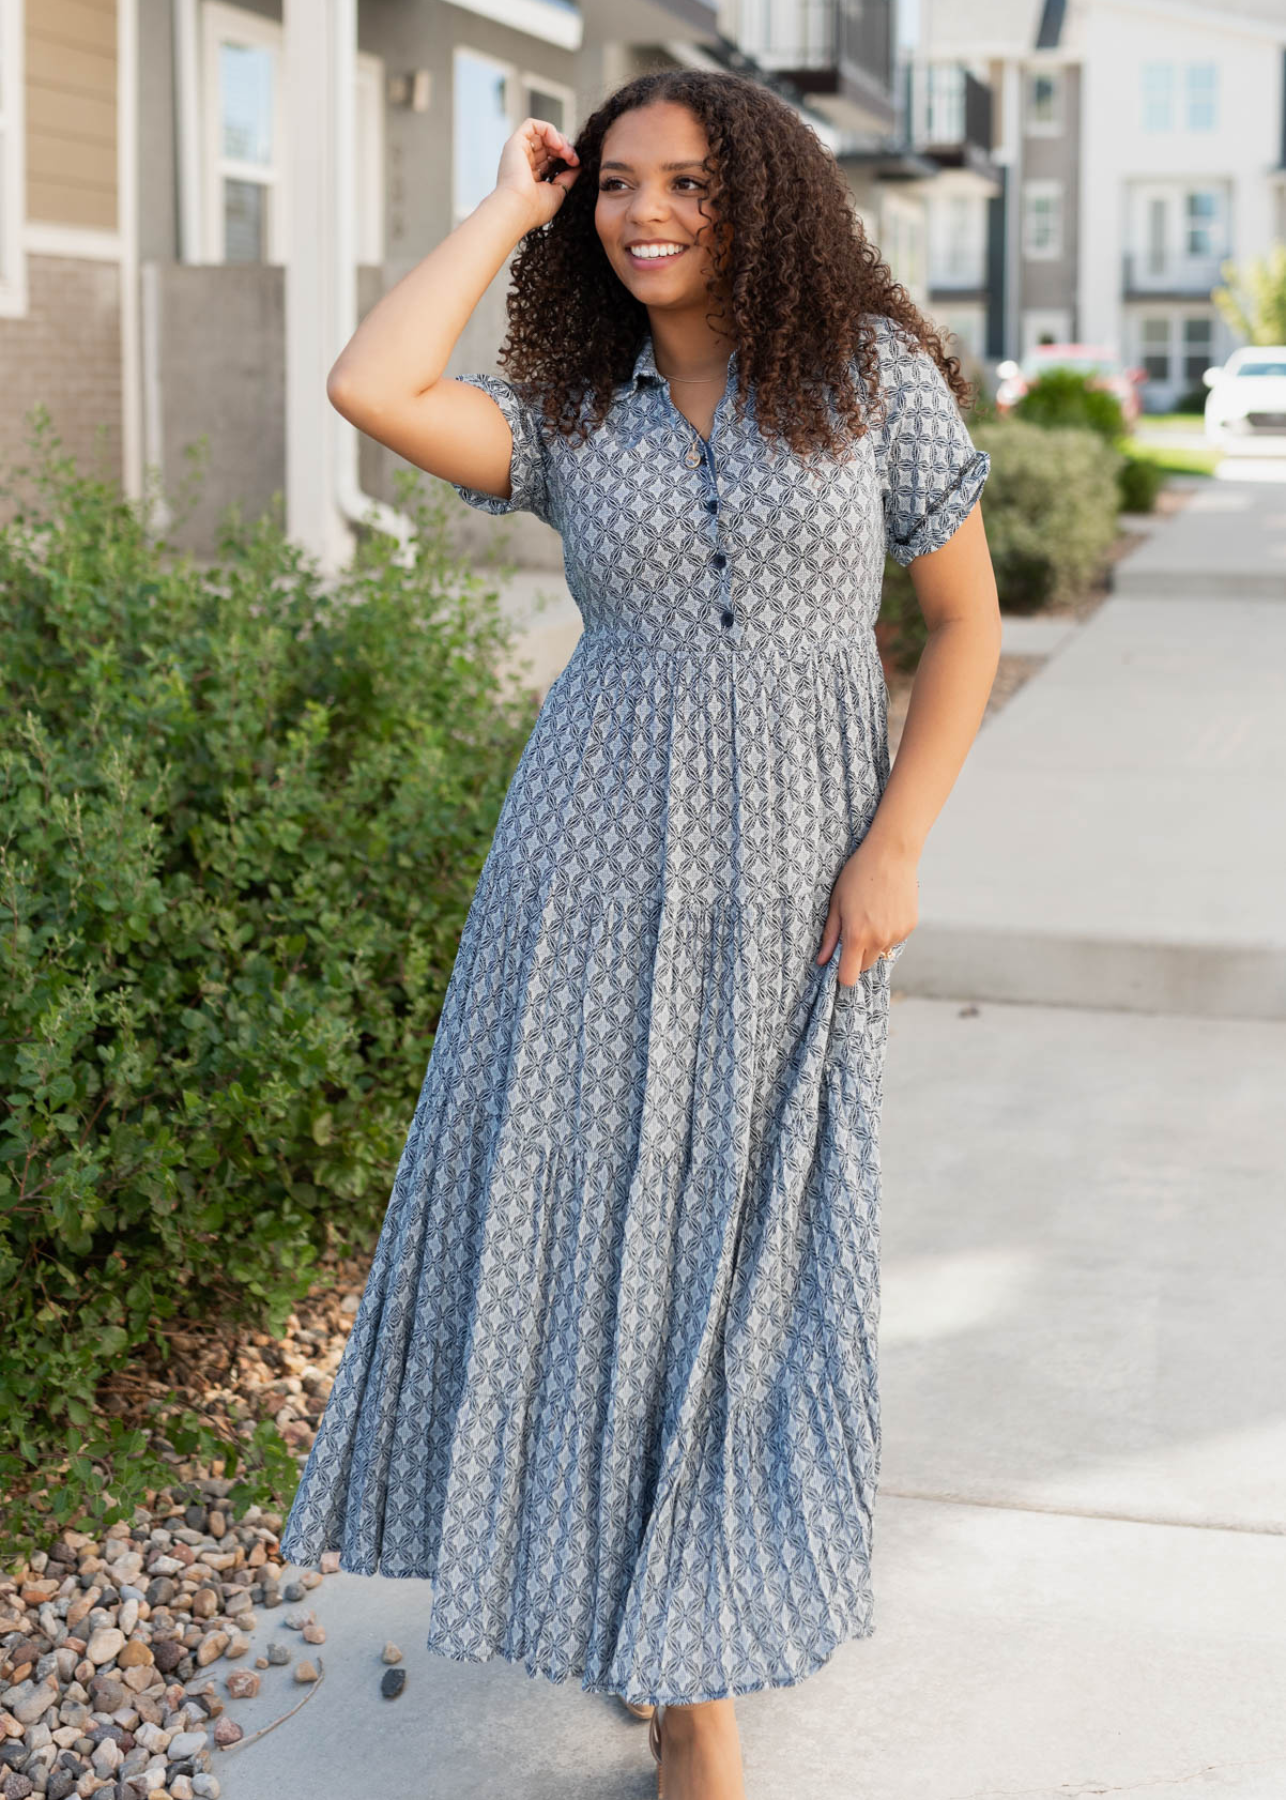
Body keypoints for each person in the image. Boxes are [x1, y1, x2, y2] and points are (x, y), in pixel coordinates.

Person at [278, 69, 1001, 1800]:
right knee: (603, 1252)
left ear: (760, 197)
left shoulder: (865, 380)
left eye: (683, 180)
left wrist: (894, 845)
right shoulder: (572, 403)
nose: (645, 210)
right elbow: (371, 383)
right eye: (612, 184)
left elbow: (963, 620)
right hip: (590, 877)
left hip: (803, 882)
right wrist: (506, 206)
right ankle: (684, 1690)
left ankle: (689, 1639)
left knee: (746, 1257)